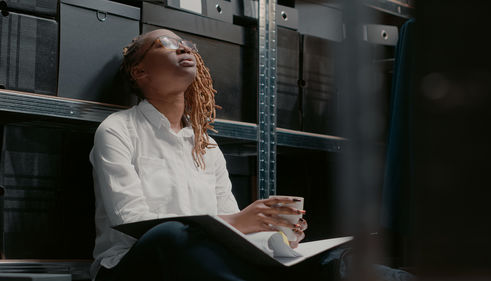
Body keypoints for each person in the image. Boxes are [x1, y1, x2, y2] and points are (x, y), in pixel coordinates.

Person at [89, 28, 337, 281]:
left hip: (203, 261)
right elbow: (133, 222)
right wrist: (238, 222)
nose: (184, 48)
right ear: (139, 71)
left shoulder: (208, 146)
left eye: (186, 43)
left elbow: (234, 226)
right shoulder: (117, 129)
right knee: (170, 234)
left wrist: (274, 232)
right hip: (132, 265)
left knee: (330, 258)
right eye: (164, 44)